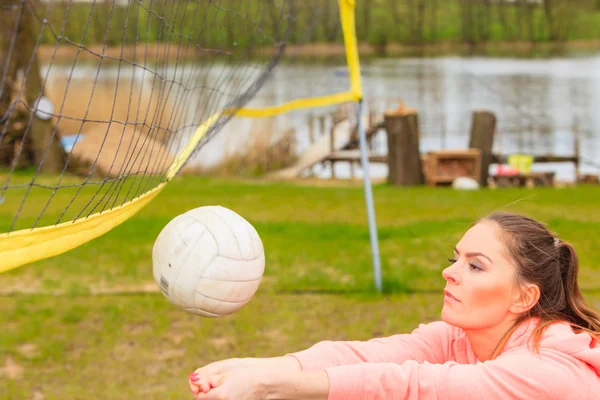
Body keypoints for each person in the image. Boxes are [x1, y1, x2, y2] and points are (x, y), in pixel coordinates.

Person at [187, 211, 600, 399]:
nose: (450, 273)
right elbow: (363, 356)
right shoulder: (462, 338)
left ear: (523, 297)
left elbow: (415, 386)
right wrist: (256, 367)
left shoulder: (547, 373)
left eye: (475, 266)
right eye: (455, 258)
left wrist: (268, 386)